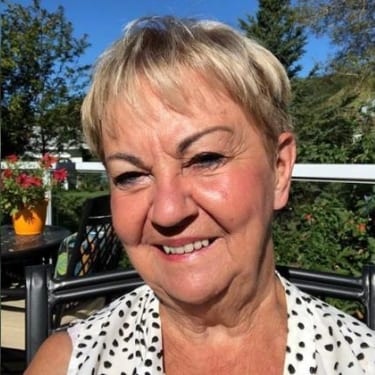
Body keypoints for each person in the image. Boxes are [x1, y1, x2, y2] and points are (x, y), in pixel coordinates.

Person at [25, 16, 375, 375]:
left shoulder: (358, 361)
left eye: (205, 158)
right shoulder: (69, 364)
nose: (167, 210)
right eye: (130, 175)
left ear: (279, 170)